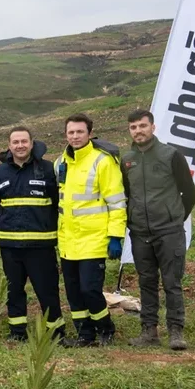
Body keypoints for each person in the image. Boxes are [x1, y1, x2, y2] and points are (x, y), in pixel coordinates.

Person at [124, 109, 195, 350]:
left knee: (172, 282)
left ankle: (176, 331)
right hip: (140, 232)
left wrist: (174, 218)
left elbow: (189, 193)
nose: (138, 131)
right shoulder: (126, 160)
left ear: (153, 127)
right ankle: (149, 331)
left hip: (169, 231)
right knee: (146, 281)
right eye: (133, 127)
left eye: (142, 126)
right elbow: (126, 194)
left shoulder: (171, 155)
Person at [55, 113, 125, 347]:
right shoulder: (60, 162)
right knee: (74, 293)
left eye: (80, 132)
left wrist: (115, 236)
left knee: (90, 290)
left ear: (89, 133)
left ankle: (106, 328)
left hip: (93, 240)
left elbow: (116, 202)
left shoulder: (103, 161)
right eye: (71, 132)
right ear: (66, 134)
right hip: (67, 240)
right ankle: (85, 335)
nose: (75, 136)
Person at [0, 127, 65, 342]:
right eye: (15, 142)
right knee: (14, 292)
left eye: (24, 141)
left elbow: (59, 202)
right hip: (10, 246)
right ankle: (17, 333)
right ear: (9, 145)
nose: (20, 146)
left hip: (40, 246)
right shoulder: (1, 172)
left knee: (47, 292)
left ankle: (56, 334)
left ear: (32, 143)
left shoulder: (48, 169)